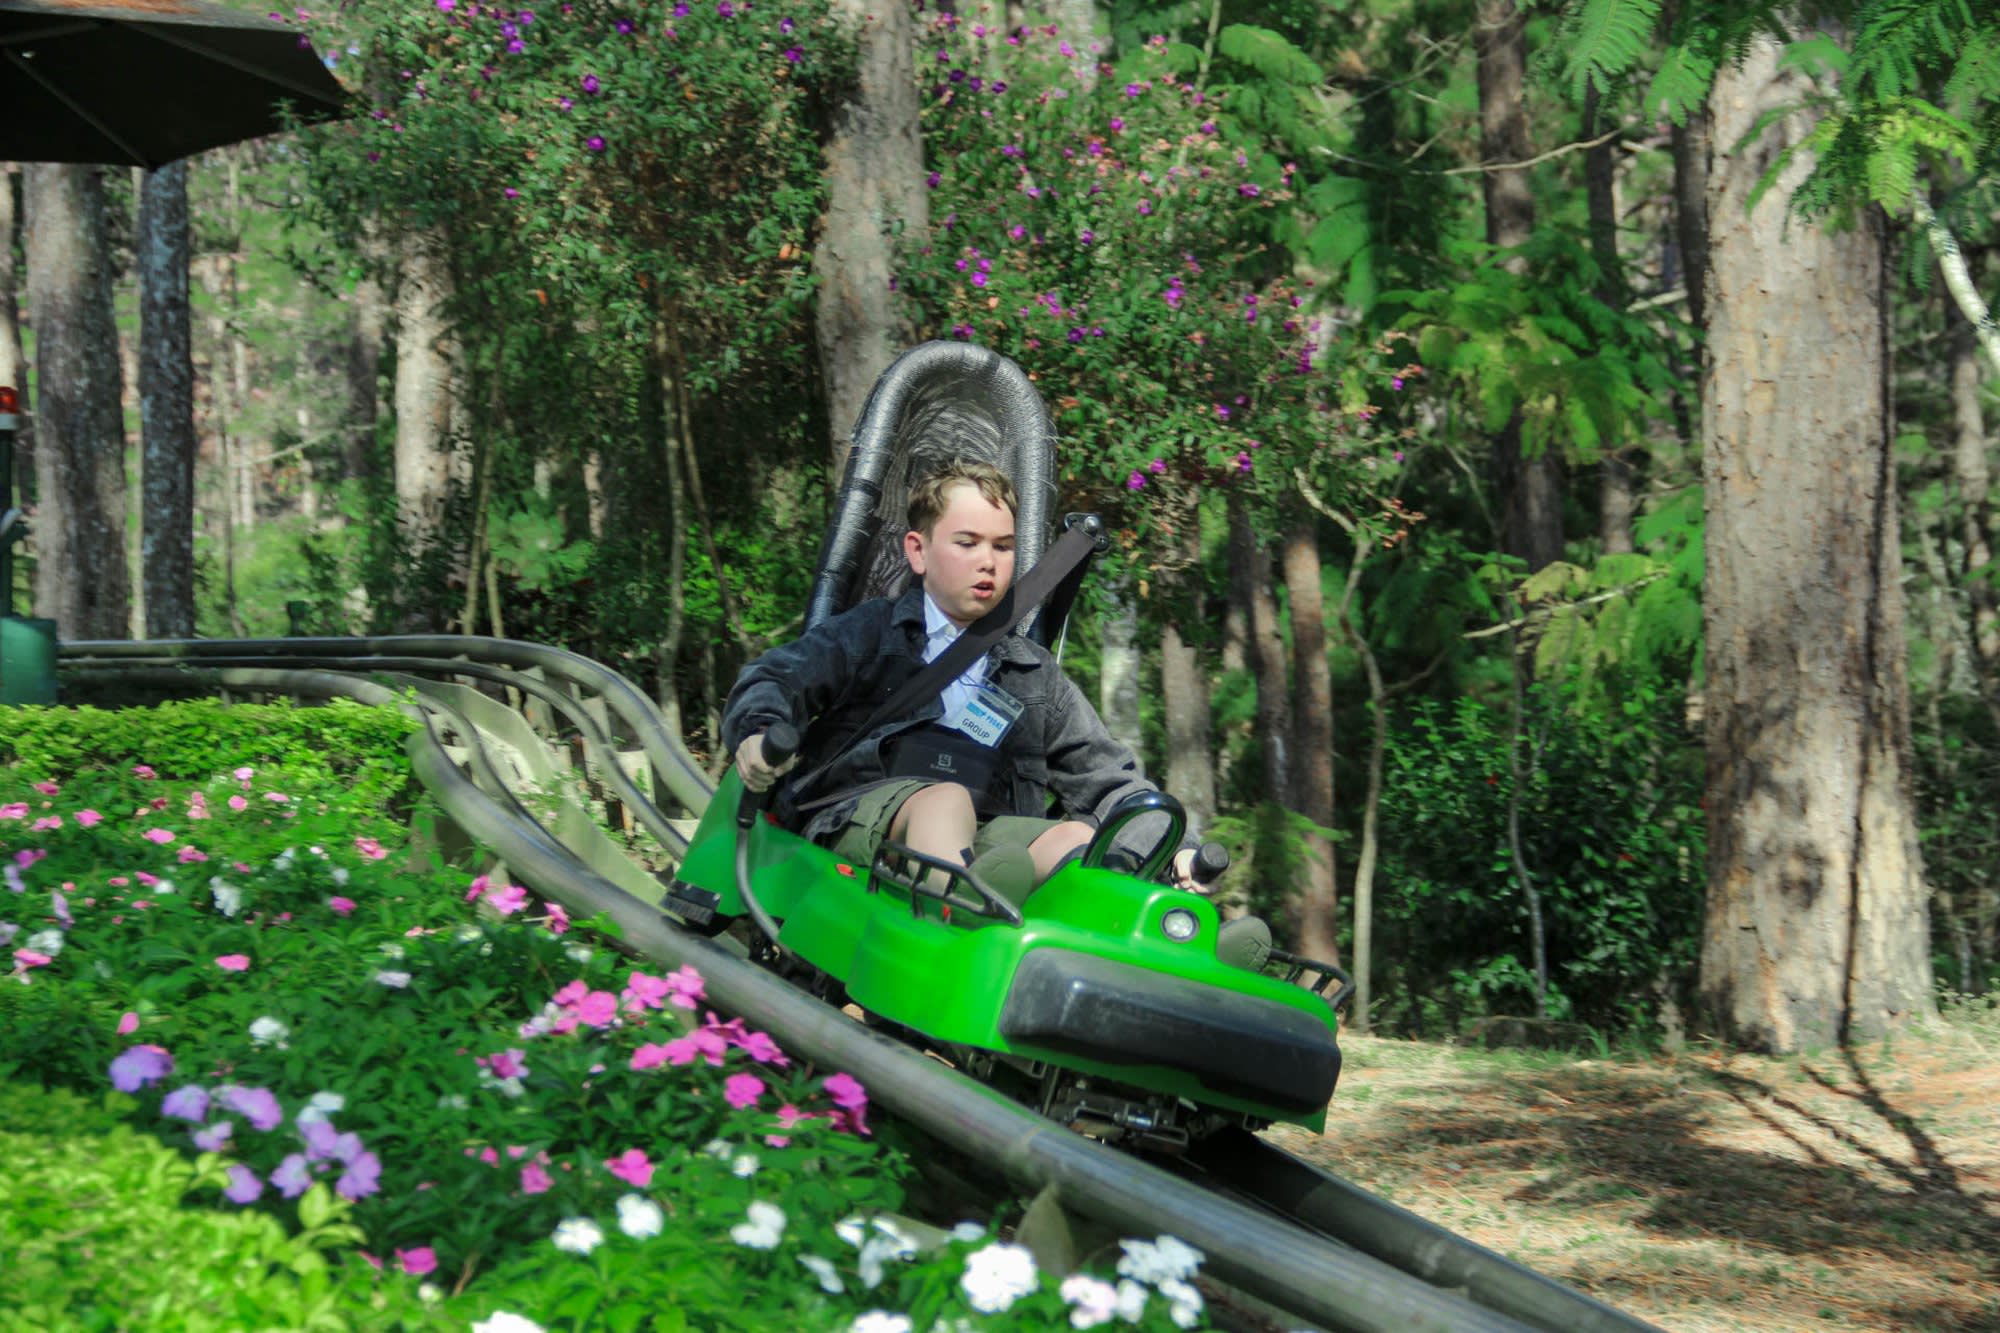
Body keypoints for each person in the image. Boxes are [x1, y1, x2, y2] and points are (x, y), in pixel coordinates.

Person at [722, 459, 1201, 904]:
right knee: (945, 802)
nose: (988, 561)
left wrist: (1174, 847)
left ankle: (1141, 943)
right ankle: (963, 917)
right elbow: (774, 679)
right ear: (918, 551)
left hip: (983, 839)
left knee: (1076, 839)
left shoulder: (1033, 675)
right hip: (858, 819)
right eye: (967, 543)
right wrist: (757, 733)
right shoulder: (871, 634)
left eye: (1003, 546)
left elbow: (1108, 776)